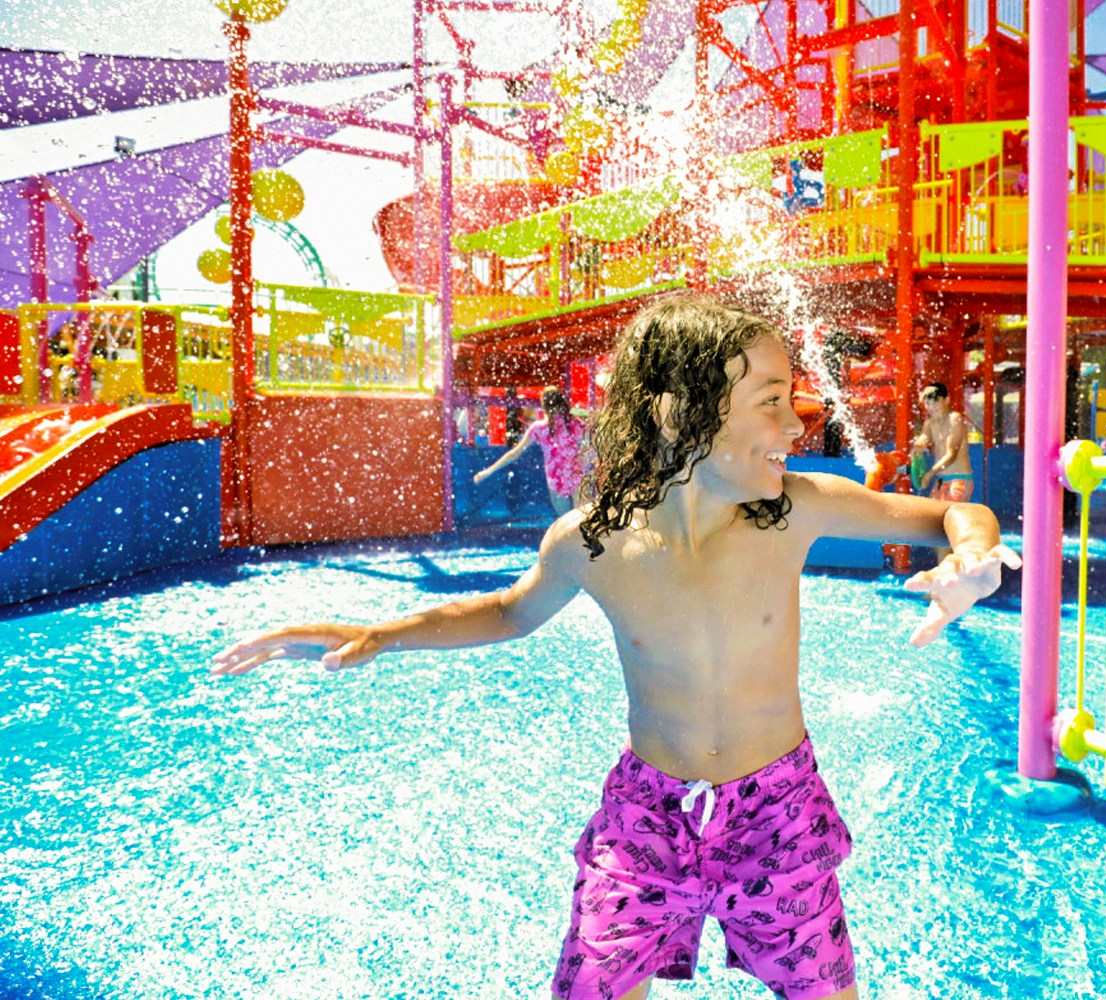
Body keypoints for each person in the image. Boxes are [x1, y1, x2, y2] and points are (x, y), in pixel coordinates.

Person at [212, 296, 1021, 1000]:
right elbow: (506, 612)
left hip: (777, 811)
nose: (795, 421)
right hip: (646, 820)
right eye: (770, 402)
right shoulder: (592, 541)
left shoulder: (795, 509)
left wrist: (973, 559)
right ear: (679, 414)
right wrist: (378, 633)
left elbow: (948, 515)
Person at [475, 388, 587, 516]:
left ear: (544, 406)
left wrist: (487, 471)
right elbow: (592, 446)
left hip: (557, 481)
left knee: (565, 526)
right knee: (583, 522)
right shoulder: (576, 424)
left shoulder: (540, 428)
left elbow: (514, 454)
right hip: (577, 477)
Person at [910, 382, 975, 562]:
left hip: (959, 479)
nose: (931, 408)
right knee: (932, 525)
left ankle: (947, 572)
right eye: (928, 404)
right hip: (942, 481)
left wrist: (929, 474)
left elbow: (951, 454)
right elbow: (924, 437)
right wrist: (920, 445)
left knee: (943, 526)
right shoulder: (930, 422)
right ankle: (955, 564)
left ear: (946, 400)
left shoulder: (955, 419)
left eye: (935, 402)